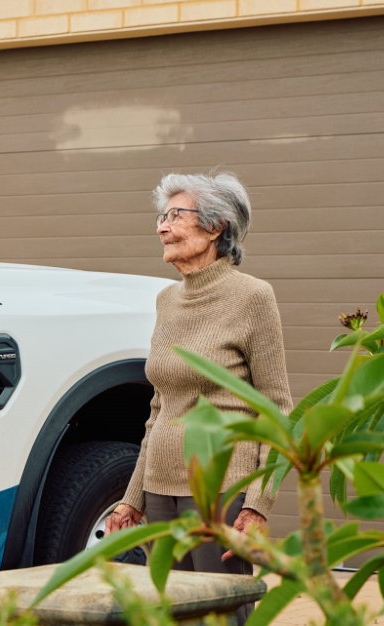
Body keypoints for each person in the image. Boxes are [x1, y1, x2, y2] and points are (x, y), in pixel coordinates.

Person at [104, 172, 294, 626]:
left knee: (222, 611)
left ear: (215, 228)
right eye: (160, 216)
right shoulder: (167, 300)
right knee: (168, 610)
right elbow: (158, 408)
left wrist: (257, 504)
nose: (161, 227)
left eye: (174, 216)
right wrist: (132, 499)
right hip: (159, 488)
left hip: (221, 486)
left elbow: (278, 406)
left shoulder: (253, 297)